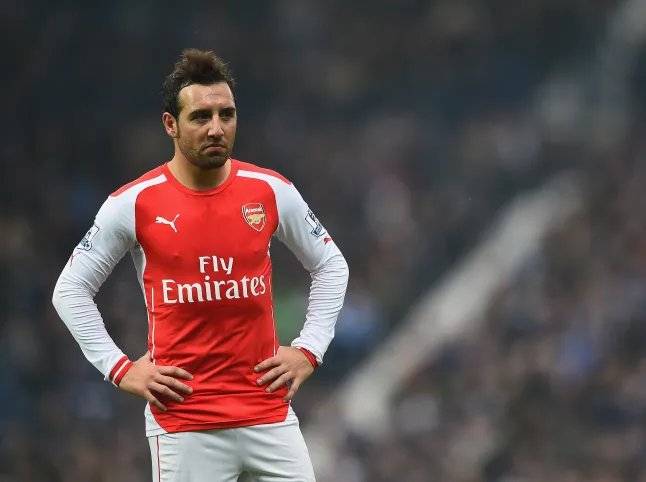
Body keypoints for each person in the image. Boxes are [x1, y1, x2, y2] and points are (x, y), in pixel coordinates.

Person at [52, 48, 349, 481]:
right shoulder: (132, 203)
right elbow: (70, 290)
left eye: (226, 114)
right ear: (170, 124)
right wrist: (120, 369)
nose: (216, 128)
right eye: (200, 117)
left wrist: (309, 350)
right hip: (185, 425)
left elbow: (331, 265)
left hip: (269, 415)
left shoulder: (270, 190)